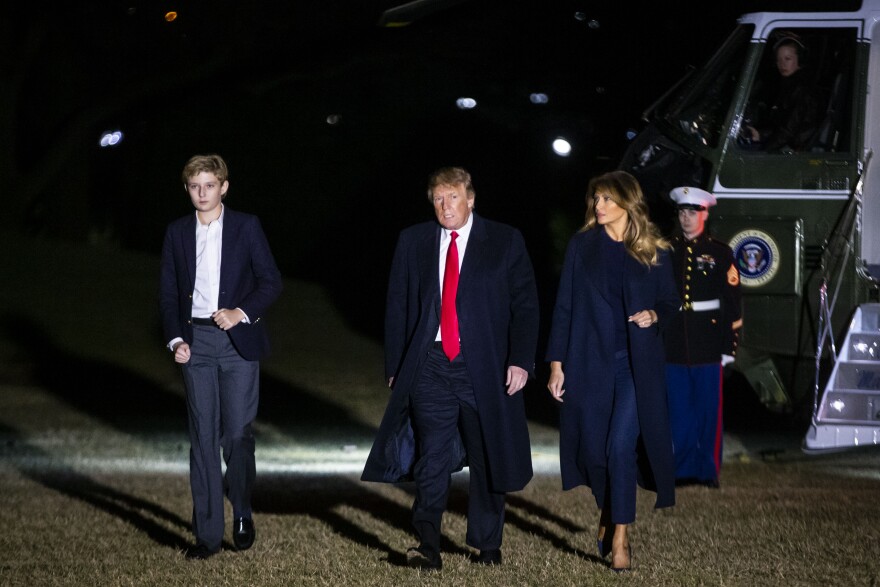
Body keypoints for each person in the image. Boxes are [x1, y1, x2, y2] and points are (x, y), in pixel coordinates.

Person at [361, 166, 539, 570]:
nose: (445, 206)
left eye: (453, 197)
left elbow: (525, 306)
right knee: (432, 456)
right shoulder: (414, 241)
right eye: (438, 199)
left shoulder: (505, 241)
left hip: (485, 367)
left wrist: (520, 361)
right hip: (431, 365)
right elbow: (398, 304)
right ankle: (428, 544)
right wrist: (396, 364)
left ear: (470, 198)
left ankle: (487, 543)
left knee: (487, 454)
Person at [545, 170, 679, 573]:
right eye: (595, 199)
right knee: (594, 452)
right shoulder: (582, 246)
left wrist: (655, 314)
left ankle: (620, 537)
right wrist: (556, 364)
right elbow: (564, 307)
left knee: (620, 447)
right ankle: (610, 510)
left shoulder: (653, 249)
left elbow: (671, 305)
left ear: (627, 202)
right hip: (589, 362)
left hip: (635, 368)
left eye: (606, 199)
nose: (598, 207)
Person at [159, 154, 283, 560]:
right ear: (187, 189)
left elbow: (270, 281)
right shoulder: (177, 233)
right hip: (196, 342)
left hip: (237, 342)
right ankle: (207, 537)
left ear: (224, 187)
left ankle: (242, 508)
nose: (202, 193)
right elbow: (169, 292)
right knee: (203, 439)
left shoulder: (246, 227)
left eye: (209, 185)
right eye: (195, 186)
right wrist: (176, 338)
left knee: (237, 435)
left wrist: (240, 312)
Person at [664, 187, 742, 488]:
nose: (686, 217)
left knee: (708, 411)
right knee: (678, 410)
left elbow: (732, 301)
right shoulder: (666, 250)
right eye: (682, 212)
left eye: (692, 212)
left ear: (704, 214)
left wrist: (729, 346)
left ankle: (707, 471)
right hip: (674, 341)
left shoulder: (721, 252)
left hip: (709, 342)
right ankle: (681, 470)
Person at [743, 33, 821, 152]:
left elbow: (788, 131)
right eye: (779, 60)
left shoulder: (801, 89)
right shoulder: (788, 86)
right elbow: (781, 126)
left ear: (800, 60)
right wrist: (760, 134)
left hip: (794, 151)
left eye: (787, 59)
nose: (782, 64)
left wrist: (763, 152)